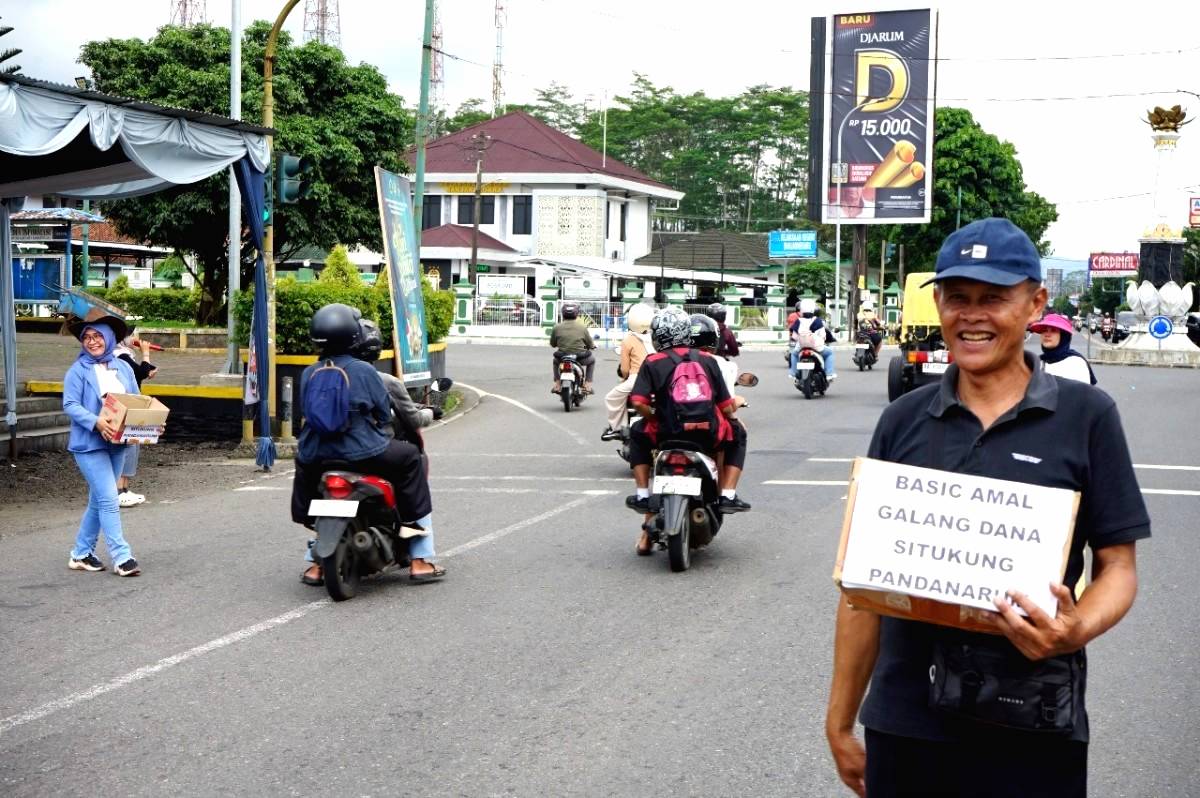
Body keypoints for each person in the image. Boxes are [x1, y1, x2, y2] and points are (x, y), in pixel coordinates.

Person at [825, 218, 1150, 797]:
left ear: (1035, 305)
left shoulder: (1088, 416)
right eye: (957, 297)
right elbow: (862, 590)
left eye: (994, 298)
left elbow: (1118, 566)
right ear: (939, 305)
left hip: (1033, 719)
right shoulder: (902, 419)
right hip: (906, 723)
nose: (972, 316)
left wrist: (1074, 629)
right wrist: (841, 718)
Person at [290, 304, 445, 585]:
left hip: (316, 454)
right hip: (362, 452)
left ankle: (316, 564)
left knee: (303, 466)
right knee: (411, 457)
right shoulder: (363, 370)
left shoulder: (310, 372)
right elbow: (384, 414)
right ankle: (419, 559)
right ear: (353, 335)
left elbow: (305, 413)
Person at [625, 308, 750, 556]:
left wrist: (654, 416)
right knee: (738, 434)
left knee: (636, 432)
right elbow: (726, 406)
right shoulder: (708, 360)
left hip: (666, 433)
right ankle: (728, 494)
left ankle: (641, 494)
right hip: (706, 434)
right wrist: (730, 418)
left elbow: (637, 402)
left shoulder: (653, 362)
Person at [62, 316, 142, 577]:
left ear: (108, 338)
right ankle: (122, 556)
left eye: (97, 336)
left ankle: (81, 553)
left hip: (118, 444)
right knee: (109, 498)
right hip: (89, 445)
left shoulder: (124, 367)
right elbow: (70, 404)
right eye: (87, 337)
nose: (92, 341)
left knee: (99, 501)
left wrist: (148, 426)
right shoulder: (77, 370)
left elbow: (136, 401)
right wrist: (95, 421)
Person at [113, 334, 158, 507]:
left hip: (132, 404)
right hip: (124, 405)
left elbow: (138, 375)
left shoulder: (126, 356)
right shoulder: (119, 355)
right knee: (125, 447)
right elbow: (140, 372)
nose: (134, 338)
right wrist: (145, 353)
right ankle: (118, 491)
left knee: (132, 446)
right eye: (130, 335)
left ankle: (124, 489)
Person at [601, 303, 655, 441]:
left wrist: (625, 376)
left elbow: (625, 370)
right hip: (656, 377)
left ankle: (618, 428)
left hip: (636, 379)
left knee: (611, 398)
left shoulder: (628, 339)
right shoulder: (656, 337)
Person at [1030, 313, 1097, 385]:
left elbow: (1083, 391)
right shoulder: (1036, 363)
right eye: (1044, 330)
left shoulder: (1076, 364)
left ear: (1063, 336)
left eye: (1053, 330)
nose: (1047, 334)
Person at [550, 302, 596, 395]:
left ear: (563, 314)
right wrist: (591, 346)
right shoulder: (582, 327)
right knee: (592, 360)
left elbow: (553, 344)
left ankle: (557, 384)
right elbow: (590, 344)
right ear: (576, 314)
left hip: (562, 357)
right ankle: (587, 385)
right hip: (580, 357)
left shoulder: (556, 327)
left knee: (555, 361)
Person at [789, 298, 836, 381]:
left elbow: (794, 337)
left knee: (794, 354)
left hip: (801, 347)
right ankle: (829, 374)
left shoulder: (798, 321)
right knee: (829, 353)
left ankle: (793, 373)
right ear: (813, 309)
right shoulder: (817, 321)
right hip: (816, 347)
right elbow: (823, 335)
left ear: (801, 310)